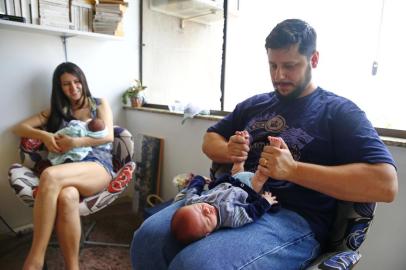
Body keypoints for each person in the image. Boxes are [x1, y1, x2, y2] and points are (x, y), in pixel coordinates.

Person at [130, 19, 398, 269]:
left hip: (290, 217)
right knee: (147, 239)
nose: (280, 75)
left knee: (198, 263)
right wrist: (228, 149)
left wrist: (293, 170)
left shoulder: (340, 112)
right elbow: (210, 139)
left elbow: (386, 185)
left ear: (313, 59)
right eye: (273, 65)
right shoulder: (254, 104)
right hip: (225, 199)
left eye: (290, 66)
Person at [12, 62, 118, 270]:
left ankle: (35, 258)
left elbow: (108, 136)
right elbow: (19, 128)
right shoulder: (57, 110)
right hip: (68, 171)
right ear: (59, 87)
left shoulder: (98, 104)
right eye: (66, 84)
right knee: (67, 196)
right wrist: (44, 134)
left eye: (77, 82)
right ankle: (73, 267)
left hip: (97, 167)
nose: (74, 88)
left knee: (50, 176)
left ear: (83, 81)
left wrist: (76, 142)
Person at [170, 167, 278, 245]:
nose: (207, 210)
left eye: (199, 208)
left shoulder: (192, 202)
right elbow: (251, 212)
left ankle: (239, 161)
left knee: (236, 169)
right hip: (248, 188)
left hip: (230, 180)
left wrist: (200, 179)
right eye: (206, 220)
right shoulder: (230, 218)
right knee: (260, 177)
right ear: (208, 233)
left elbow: (192, 190)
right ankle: (268, 164)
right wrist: (266, 202)